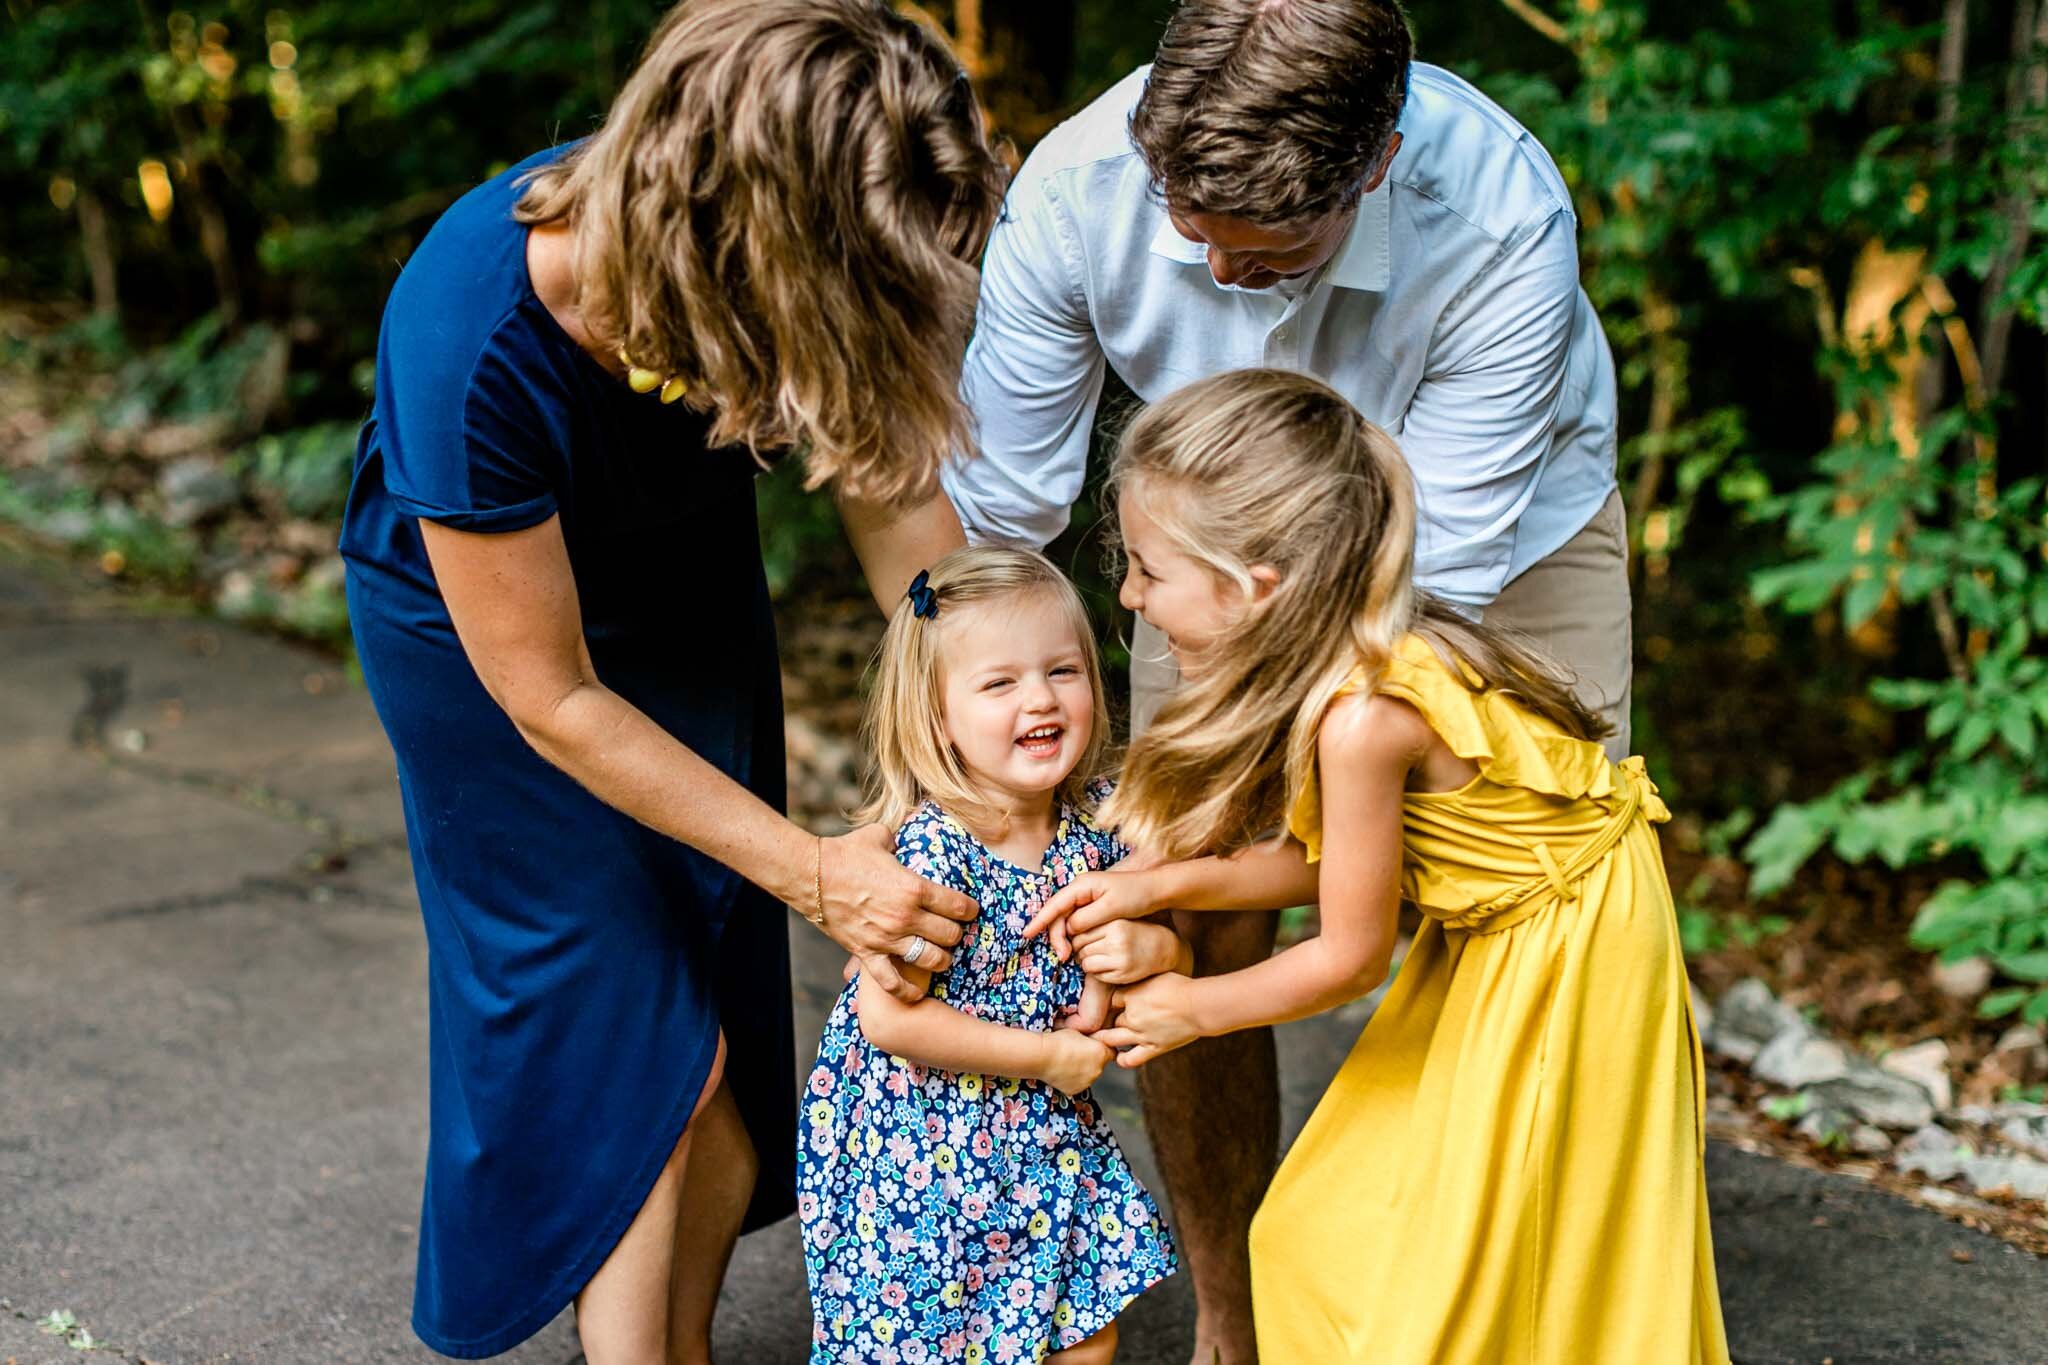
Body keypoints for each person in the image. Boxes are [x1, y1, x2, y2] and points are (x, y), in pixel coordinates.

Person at [939, 4, 1627, 1354]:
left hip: (1488, 550)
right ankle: (1236, 1318)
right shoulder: (1078, 197)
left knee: (1517, 924)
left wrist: (1277, 778)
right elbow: (1003, 516)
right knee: (1185, 921)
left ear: (1373, 162)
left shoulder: (1496, 215)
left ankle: (1516, 1303)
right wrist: (969, 748)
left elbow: (1428, 592)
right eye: (1192, 233)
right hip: (1195, 551)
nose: (1214, 267)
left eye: (1261, 252)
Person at [335, 2, 1007, 1359]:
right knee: (641, 1050)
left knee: (711, 994)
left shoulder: (760, 240)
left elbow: (893, 498)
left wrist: (981, 702)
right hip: (493, 658)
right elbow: (553, 698)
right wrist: (820, 871)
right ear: (747, 234)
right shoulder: (469, 341)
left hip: (680, 589)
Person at [1026, 370, 1727, 1363]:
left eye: (1144, 569)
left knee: (1472, 1255)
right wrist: (1164, 884)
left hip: (1563, 953)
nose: (1129, 595)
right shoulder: (1343, 666)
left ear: (1251, 586)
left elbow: (1349, 957)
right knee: (1329, 1231)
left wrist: (1191, 1009)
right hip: (1510, 926)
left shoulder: (1362, 717)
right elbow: (1338, 868)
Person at [799, 547, 1182, 1364]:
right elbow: (888, 1018)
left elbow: (1162, 927)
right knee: (942, 1340)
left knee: (1083, 1325)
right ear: (939, 717)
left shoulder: (1098, 823)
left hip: (1038, 1132)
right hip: (924, 1142)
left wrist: (1146, 948)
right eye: (1000, 683)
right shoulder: (936, 855)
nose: (1040, 697)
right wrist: (1045, 1054)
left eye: (1063, 670)